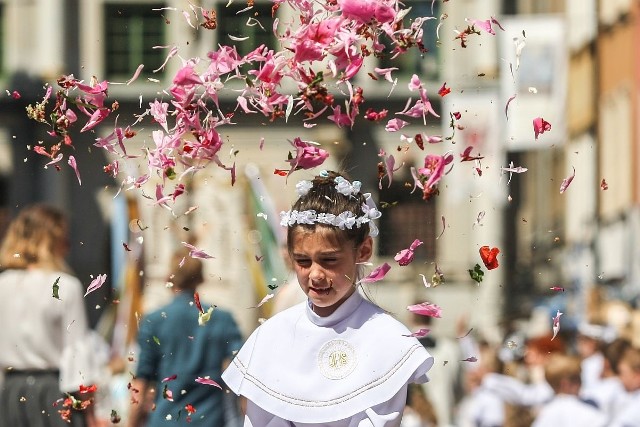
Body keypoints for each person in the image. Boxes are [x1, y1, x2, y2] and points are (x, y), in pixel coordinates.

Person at [222, 170, 434, 426]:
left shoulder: (386, 339)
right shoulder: (272, 336)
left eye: (329, 260)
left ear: (363, 250)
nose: (315, 274)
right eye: (302, 261)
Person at [0, 204, 97, 427]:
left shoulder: (2, 284)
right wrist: (89, 412)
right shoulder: (65, 285)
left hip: (10, 392)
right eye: (64, 238)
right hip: (53, 391)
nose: (69, 246)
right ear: (50, 241)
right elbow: (77, 357)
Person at [127, 246, 244, 426]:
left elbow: (141, 383)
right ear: (201, 279)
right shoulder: (223, 320)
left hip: (166, 420)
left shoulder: (154, 321)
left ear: (169, 278)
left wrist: (131, 423)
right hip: (210, 420)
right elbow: (242, 373)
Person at [532, 353, 606, 427]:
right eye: (577, 378)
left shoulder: (545, 413)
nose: (581, 383)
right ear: (565, 384)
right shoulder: (588, 411)